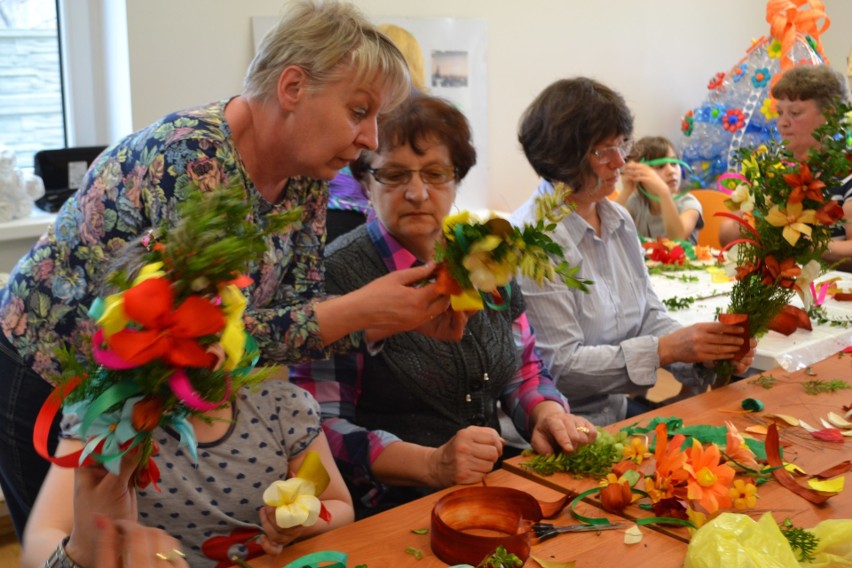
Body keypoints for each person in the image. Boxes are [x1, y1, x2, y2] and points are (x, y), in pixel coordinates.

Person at [0, 0, 460, 539]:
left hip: (142, 388)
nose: (372, 139)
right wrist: (358, 310)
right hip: (53, 372)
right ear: (292, 87)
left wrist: (390, 315)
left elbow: (285, 321)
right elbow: (198, 340)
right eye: (359, 112)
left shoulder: (303, 172)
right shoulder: (191, 159)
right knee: (76, 548)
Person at [291, 93, 596, 517]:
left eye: (435, 173)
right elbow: (321, 427)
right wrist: (431, 465)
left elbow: (523, 367)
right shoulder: (336, 276)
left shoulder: (485, 251)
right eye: (395, 175)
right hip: (387, 510)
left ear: (456, 179)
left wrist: (544, 413)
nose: (418, 193)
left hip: (490, 489)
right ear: (364, 182)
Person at [510, 78, 756, 426]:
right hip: (560, 426)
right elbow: (560, 369)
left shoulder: (617, 219)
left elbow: (646, 316)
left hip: (613, 412)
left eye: (623, 144)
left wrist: (702, 353)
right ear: (562, 158)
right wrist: (667, 349)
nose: (620, 161)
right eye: (602, 151)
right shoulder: (534, 239)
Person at [719, 64, 851, 270]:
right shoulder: (776, 169)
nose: (782, 123)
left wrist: (797, 243)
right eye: (780, 113)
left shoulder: (846, 173)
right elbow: (726, 233)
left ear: (830, 115)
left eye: (795, 113)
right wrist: (766, 228)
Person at [615, 136, 704, 244]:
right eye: (660, 166)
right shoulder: (637, 203)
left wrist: (663, 192)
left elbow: (677, 238)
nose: (671, 171)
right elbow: (609, 226)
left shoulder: (688, 203)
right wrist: (626, 191)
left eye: (674, 163)